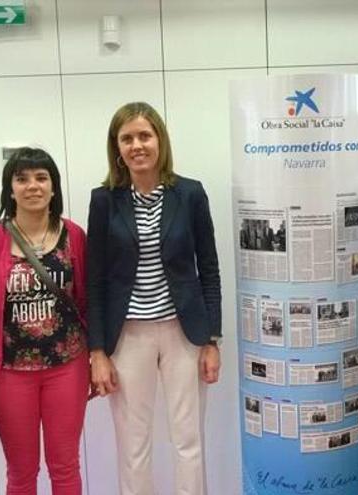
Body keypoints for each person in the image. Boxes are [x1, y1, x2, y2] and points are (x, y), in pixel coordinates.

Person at [87, 101, 221, 495]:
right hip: (127, 335)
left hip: (184, 331)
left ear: (160, 140)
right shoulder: (104, 200)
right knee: (133, 443)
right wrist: (97, 351)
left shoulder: (190, 194)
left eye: (145, 136)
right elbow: (95, 280)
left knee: (188, 440)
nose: (137, 145)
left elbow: (209, 268)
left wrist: (212, 340)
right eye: (127, 138)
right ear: (116, 147)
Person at [0, 147, 89, 495]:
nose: (32, 185)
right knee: (21, 472)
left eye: (41, 177)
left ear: (53, 187)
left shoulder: (74, 236)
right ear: (10, 189)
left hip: (67, 367)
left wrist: (97, 358)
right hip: (10, 374)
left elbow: (87, 302)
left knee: (65, 467)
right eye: (22, 179)